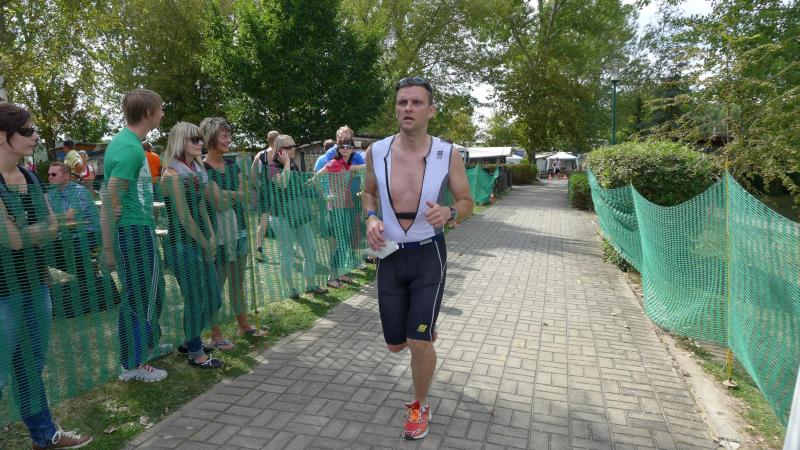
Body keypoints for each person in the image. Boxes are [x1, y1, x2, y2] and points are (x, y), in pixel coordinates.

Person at [362, 76, 473, 440]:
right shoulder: (376, 151)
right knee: (396, 345)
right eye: (402, 102)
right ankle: (422, 325)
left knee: (419, 342)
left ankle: (420, 404)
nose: (407, 108)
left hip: (429, 256)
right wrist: (371, 218)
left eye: (416, 102)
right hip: (390, 257)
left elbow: (466, 202)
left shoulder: (447, 153)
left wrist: (450, 212)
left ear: (431, 110)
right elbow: (368, 193)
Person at [0, 102, 92, 449]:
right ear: (2, 136)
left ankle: (45, 434)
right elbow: (11, 240)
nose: (35, 135)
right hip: (3, 292)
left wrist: (26, 230)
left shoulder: (30, 177)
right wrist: (31, 230)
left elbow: (52, 228)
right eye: (27, 130)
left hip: (35, 284)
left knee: (31, 364)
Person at [101, 88, 172, 383]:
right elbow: (110, 194)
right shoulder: (129, 149)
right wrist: (108, 248)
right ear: (148, 113)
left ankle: (147, 347)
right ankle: (132, 363)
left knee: (152, 293)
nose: (163, 113)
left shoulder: (129, 143)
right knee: (140, 296)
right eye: (160, 108)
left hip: (138, 228)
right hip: (133, 232)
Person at [160, 122, 224, 369]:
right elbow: (184, 217)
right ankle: (196, 352)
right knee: (196, 297)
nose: (200, 143)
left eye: (200, 138)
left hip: (199, 241)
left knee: (214, 297)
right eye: (194, 139)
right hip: (180, 245)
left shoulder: (196, 170)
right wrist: (206, 242)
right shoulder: (171, 174)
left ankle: (189, 340)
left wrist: (212, 236)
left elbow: (200, 207)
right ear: (180, 142)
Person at [200, 117, 266, 349]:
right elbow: (216, 201)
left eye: (229, 134)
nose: (229, 139)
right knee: (216, 285)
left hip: (240, 230)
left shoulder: (233, 165)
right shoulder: (202, 168)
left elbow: (246, 195)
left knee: (238, 281)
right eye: (224, 135)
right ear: (210, 137)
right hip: (217, 236)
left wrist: (228, 195)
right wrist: (232, 195)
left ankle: (243, 325)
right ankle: (215, 334)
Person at [267, 134, 327, 298]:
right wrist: (286, 163)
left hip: (299, 214)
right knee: (286, 252)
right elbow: (283, 184)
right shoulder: (272, 167)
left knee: (310, 249)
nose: (293, 149)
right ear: (279, 150)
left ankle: (310, 285)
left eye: (294, 146)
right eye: (289, 147)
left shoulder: (294, 165)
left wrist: (310, 183)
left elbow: (297, 188)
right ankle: (291, 289)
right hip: (281, 217)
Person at [47, 161, 110, 311]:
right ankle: (85, 273)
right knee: (41, 251)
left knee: (69, 251)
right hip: (65, 234)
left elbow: (72, 215)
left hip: (88, 233)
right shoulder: (51, 194)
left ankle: (88, 277)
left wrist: (54, 218)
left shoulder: (79, 191)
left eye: (54, 174)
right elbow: (49, 216)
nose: (50, 177)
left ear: (67, 176)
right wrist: (56, 218)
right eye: (49, 174)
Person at [310, 138, 359, 289]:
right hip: (336, 209)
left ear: (352, 149)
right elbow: (316, 178)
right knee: (341, 244)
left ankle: (340, 274)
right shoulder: (334, 163)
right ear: (338, 149)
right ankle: (331, 278)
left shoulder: (347, 164)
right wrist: (326, 196)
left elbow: (363, 168)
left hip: (346, 207)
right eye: (342, 147)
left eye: (348, 147)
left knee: (345, 242)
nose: (345, 149)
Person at [251, 130, 279, 262]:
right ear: (277, 140)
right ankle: (288, 247)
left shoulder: (260, 155)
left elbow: (252, 175)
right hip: (278, 191)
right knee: (282, 220)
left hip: (265, 191)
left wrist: (260, 185)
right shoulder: (280, 154)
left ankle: (259, 250)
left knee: (263, 222)